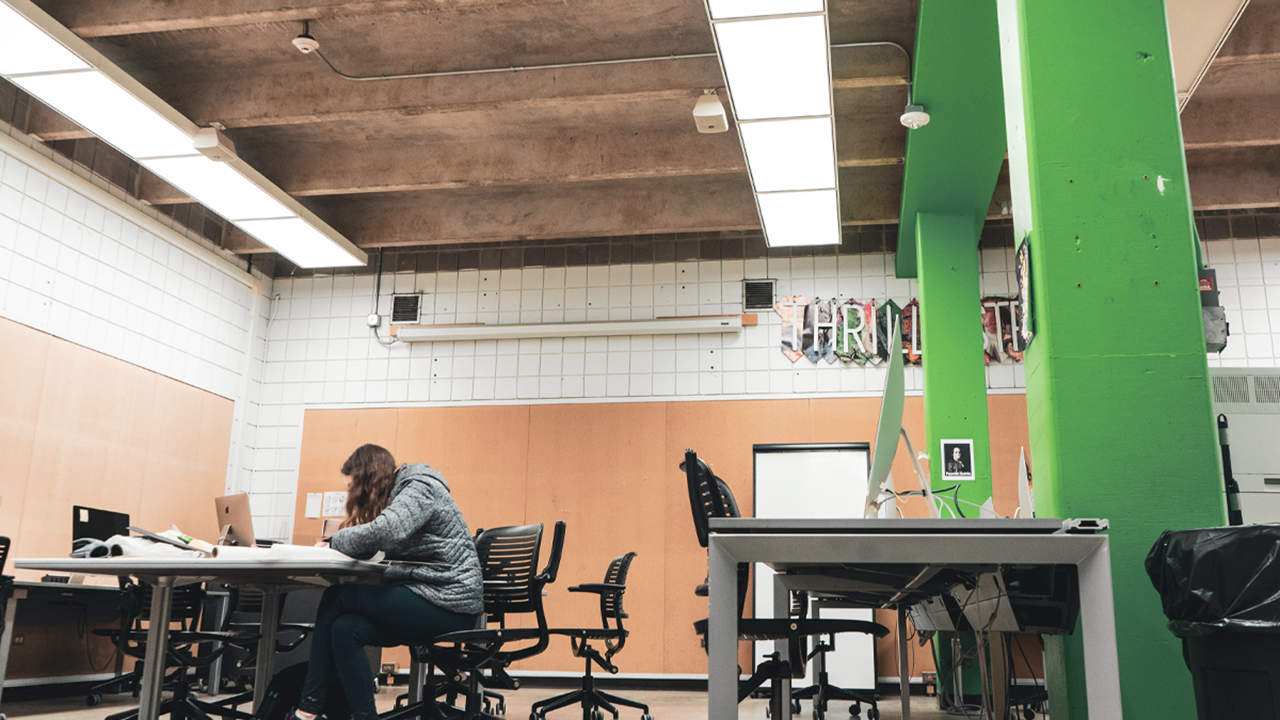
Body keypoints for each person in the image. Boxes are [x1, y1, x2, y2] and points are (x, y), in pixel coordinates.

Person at [292, 444, 484, 720]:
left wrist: (334, 541)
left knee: (336, 597)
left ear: (370, 480)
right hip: (425, 593)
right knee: (345, 629)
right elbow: (377, 539)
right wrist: (341, 544)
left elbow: (387, 531)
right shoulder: (400, 496)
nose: (351, 496)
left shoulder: (419, 485)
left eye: (352, 489)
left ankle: (308, 709)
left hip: (449, 601)